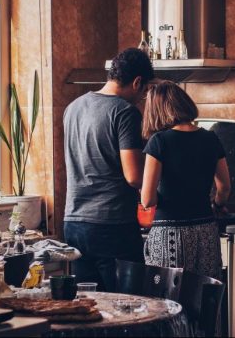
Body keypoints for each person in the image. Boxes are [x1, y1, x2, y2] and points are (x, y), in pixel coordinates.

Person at [63, 48, 154, 291]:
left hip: (74, 223)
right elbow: (134, 177)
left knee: (89, 307)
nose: (142, 97)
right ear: (137, 82)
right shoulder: (125, 112)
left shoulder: (73, 108)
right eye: (144, 91)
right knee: (129, 308)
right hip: (111, 224)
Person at [141, 80, 231, 280]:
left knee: (168, 303)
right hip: (206, 230)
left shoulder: (159, 142)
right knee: (205, 298)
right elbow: (224, 186)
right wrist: (217, 204)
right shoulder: (211, 138)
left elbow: (147, 200)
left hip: (169, 234)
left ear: (156, 111)